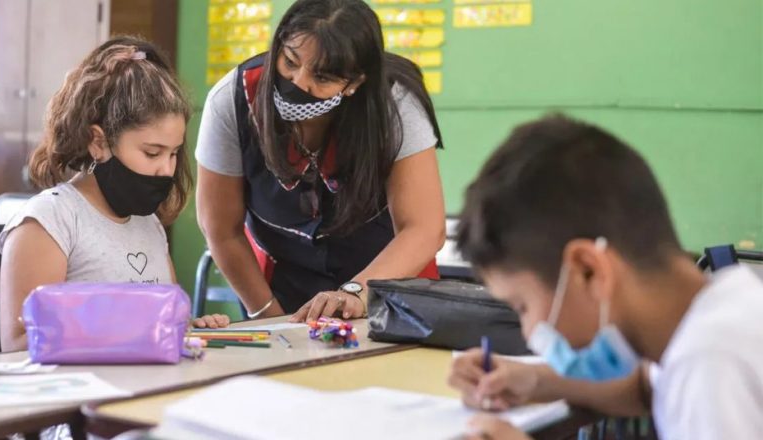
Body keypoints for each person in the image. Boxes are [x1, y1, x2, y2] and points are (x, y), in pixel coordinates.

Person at [449, 115, 763, 439]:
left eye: (522, 306)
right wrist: (533, 380)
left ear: (589, 270)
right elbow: (645, 387)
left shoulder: (713, 362)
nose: (530, 334)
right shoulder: (717, 312)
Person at [196, 0, 447, 322]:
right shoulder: (232, 100)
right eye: (290, 61)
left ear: (355, 83)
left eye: (323, 77)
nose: (299, 83)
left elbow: (424, 229)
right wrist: (270, 317)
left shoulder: (395, 104)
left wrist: (357, 292)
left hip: (389, 280)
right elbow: (221, 229)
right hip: (283, 283)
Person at [0, 37, 228, 352]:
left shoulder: (149, 224)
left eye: (173, 154)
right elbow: (19, 343)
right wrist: (128, 329)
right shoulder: (48, 222)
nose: (167, 169)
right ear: (98, 142)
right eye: (152, 153)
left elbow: (165, 322)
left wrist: (187, 328)